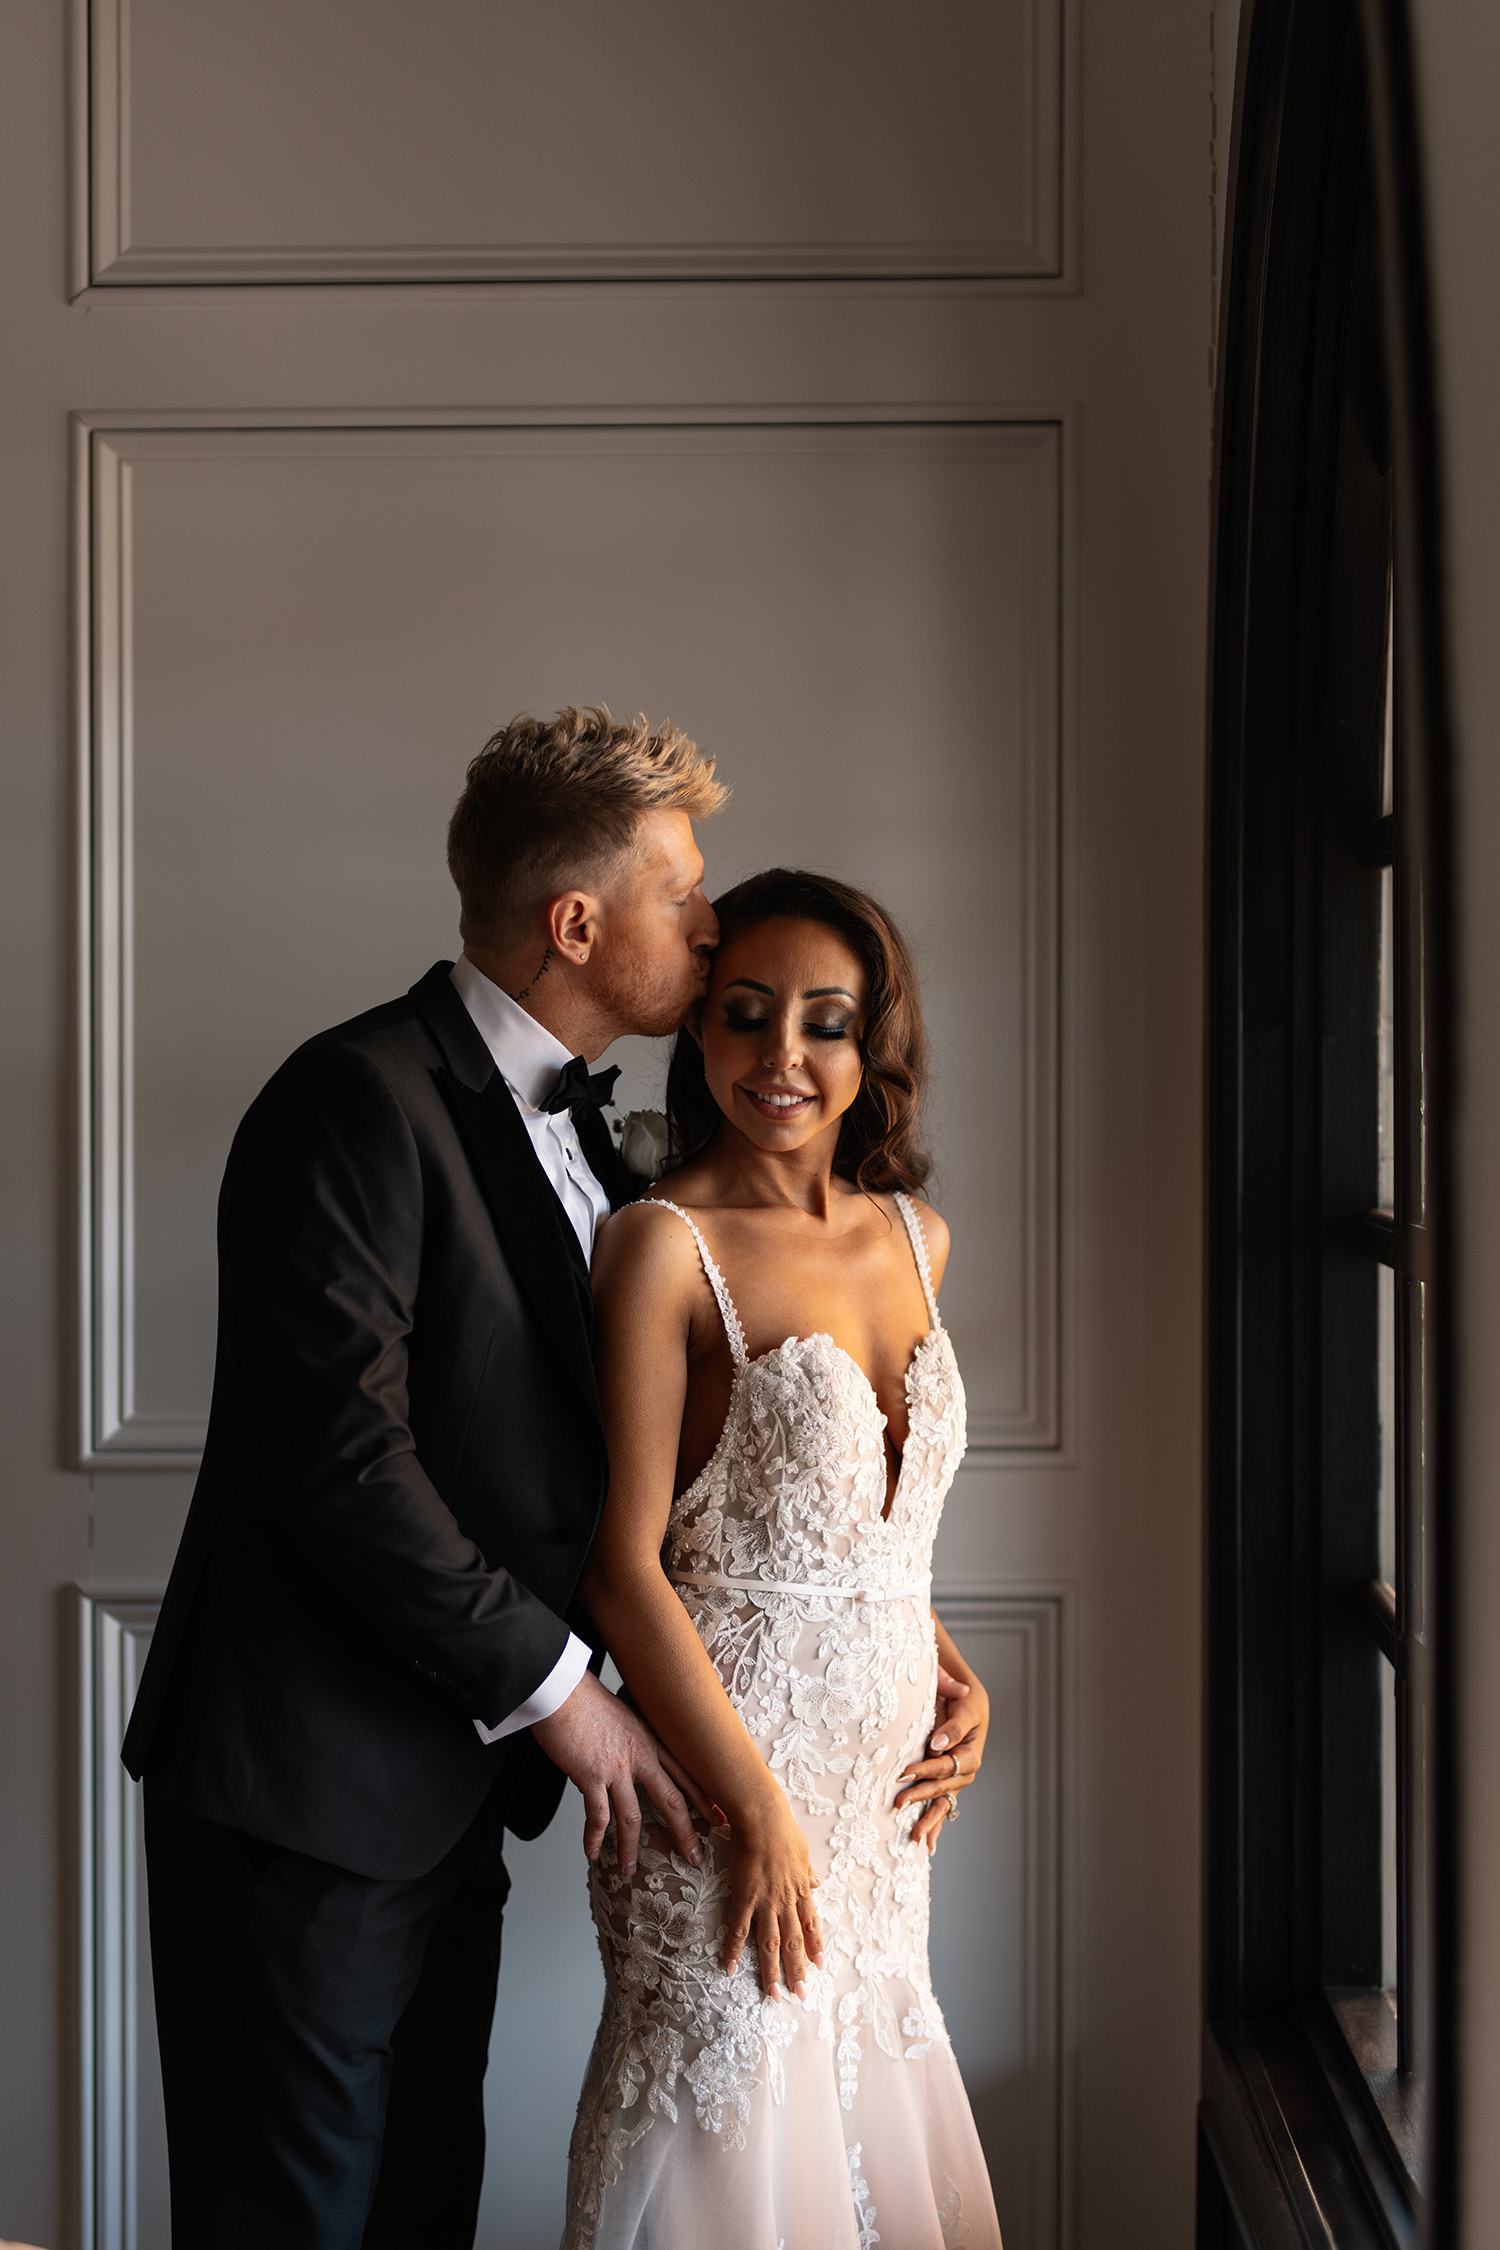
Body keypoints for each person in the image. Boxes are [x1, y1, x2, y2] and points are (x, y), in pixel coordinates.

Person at [121, 706, 726, 2249]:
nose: (708, 925)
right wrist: (566, 1693)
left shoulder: (604, 1138)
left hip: (448, 1799)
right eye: (684, 893)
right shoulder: (354, 1102)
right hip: (303, 1801)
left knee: (416, 2216)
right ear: (575, 922)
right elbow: (341, 1463)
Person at [565, 869, 1002, 2249]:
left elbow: (875, 1534)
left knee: (863, 2142)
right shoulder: (661, 1247)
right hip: (726, 1799)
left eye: (825, 1022)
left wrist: (953, 1668)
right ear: (697, 1031)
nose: (783, 1058)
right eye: (746, 1016)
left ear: (875, 1048)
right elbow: (624, 1565)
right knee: (729, 2160)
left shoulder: (917, 1241)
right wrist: (753, 1806)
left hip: (879, 1817)